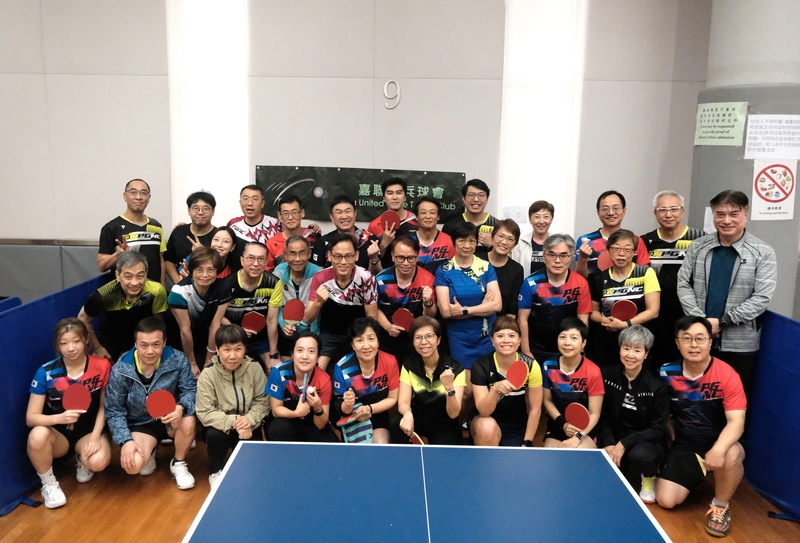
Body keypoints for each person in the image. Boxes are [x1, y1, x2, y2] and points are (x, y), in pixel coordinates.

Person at [676, 190, 776, 405]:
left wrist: (723, 321)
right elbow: (683, 284)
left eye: (734, 214)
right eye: (720, 214)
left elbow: (762, 297)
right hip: (698, 341)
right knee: (696, 402)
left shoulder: (763, 251)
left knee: (735, 402)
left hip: (740, 344)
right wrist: (702, 323)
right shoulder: (698, 247)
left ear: (745, 215)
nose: (727, 220)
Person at [655, 316, 747, 538]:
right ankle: (696, 476)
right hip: (685, 443)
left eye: (700, 339)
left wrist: (717, 449)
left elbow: (737, 422)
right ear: (677, 343)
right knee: (666, 500)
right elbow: (660, 408)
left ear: (710, 342)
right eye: (687, 339)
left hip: (719, 440)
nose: (693, 345)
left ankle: (720, 506)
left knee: (732, 454)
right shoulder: (666, 373)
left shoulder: (727, 375)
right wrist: (668, 425)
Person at [26, 319, 112, 509]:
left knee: (98, 462)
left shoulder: (102, 365)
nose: (70, 348)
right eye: (64, 343)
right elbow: (31, 418)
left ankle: (83, 459)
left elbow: (104, 406)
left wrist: (95, 437)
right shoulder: (46, 372)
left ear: (86, 340)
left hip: (88, 432)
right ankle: (49, 483)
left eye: (76, 341)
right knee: (37, 434)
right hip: (59, 437)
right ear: (57, 344)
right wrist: (59, 418)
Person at [104, 317, 197, 490]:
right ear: (135, 344)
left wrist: (181, 407)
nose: (150, 351)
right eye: (144, 345)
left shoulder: (177, 359)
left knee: (188, 420)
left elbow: (191, 390)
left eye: (156, 344)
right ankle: (151, 447)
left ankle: (178, 462)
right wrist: (126, 441)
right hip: (140, 424)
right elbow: (114, 410)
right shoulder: (121, 369)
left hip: (170, 419)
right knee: (134, 466)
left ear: (164, 342)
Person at [598, 325, 669, 505]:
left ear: (646, 354)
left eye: (637, 350)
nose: (630, 355)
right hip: (615, 435)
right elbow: (603, 414)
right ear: (620, 349)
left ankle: (649, 476)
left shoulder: (656, 386)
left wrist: (624, 443)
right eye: (626, 348)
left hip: (644, 439)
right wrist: (609, 443)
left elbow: (657, 429)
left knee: (641, 456)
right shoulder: (607, 375)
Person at [196, 325, 269, 486]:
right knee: (215, 437)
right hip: (220, 427)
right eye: (226, 350)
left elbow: (263, 401)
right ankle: (215, 470)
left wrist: (249, 419)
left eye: (238, 349)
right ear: (217, 350)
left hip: (249, 425)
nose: (232, 356)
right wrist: (236, 421)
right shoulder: (208, 374)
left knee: (250, 473)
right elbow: (205, 412)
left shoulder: (254, 367)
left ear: (245, 349)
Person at [641, 191, 706, 371]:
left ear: (682, 212)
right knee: (657, 362)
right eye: (662, 210)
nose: (668, 214)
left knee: (687, 362)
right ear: (655, 214)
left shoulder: (700, 238)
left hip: (689, 312)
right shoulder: (645, 241)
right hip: (656, 315)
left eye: (674, 209)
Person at [435, 221, 501, 374]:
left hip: (486, 336)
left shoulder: (486, 267)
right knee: (465, 385)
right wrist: (483, 308)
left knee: (486, 379)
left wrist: (464, 310)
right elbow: (446, 312)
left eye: (472, 241)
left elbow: (497, 305)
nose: (467, 245)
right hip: (459, 338)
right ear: (454, 242)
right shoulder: (444, 270)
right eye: (462, 240)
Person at [304, 233, 379, 370]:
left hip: (357, 333)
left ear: (356, 256)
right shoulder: (320, 278)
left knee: (361, 369)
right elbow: (308, 319)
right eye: (338, 256)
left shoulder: (367, 279)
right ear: (329, 256)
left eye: (348, 256)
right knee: (315, 370)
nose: (343, 262)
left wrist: (363, 341)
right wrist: (318, 302)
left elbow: (371, 318)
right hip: (329, 334)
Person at [588, 229, 661, 369]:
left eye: (627, 249)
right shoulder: (598, 278)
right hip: (607, 340)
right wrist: (605, 320)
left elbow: (653, 311)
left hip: (638, 339)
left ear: (634, 252)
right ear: (608, 251)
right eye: (616, 249)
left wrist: (625, 324)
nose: (621, 254)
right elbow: (593, 311)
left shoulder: (646, 273)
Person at [78, 251, 167, 362]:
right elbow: (83, 318)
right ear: (118, 275)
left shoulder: (157, 291)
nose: (135, 283)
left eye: (140, 276)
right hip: (110, 338)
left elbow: (158, 322)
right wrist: (98, 348)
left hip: (141, 338)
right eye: (128, 277)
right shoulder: (104, 295)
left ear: (146, 274)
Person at [389, 316, 465, 445]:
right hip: (417, 419)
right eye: (418, 338)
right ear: (413, 342)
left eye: (429, 336)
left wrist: (449, 388)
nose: (423, 342)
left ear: (438, 340)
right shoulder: (409, 365)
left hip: (444, 424)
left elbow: (453, 414)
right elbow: (403, 402)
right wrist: (407, 414)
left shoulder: (456, 369)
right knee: (396, 423)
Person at [517, 234, 591, 363]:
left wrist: (580, 350)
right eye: (552, 255)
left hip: (568, 349)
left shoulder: (581, 283)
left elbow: (583, 320)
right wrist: (526, 351)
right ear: (544, 256)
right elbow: (522, 319)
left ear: (571, 257)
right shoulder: (530, 283)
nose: (557, 261)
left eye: (563, 255)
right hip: (536, 350)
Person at [470, 316, 543, 447]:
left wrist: (527, 442)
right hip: (485, 421)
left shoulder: (531, 366)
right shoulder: (481, 366)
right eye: (500, 336)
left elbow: (535, 409)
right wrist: (494, 390)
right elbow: (484, 412)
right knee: (487, 427)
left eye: (511, 336)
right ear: (492, 340)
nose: (506, 340)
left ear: (519, 340)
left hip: (516, 425)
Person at [212, 241, 282, 370]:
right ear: (242, 260)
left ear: (266, 262)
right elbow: (219, 317)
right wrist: (238, 331)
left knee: (275, 370)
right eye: (251, 258)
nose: (255, 263)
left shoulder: (273, 283)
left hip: (261, 340)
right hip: (233, 338)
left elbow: (272, 320)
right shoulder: (227, 284)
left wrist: (274, 355)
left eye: (261, 259)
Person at [332, 317, 399, 444]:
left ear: (378, 342)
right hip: (352, 416)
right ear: (352, 345)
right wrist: (347, 404)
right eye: (359, 340)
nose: (366, 345)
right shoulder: (342, 368)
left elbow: (392, 398)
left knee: (380, 446)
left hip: (377, 411)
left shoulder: (390, 362)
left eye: (371, 338)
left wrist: (369, 409)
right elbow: (339, 407)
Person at [265, 331, 339, 443]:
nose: (305, 356)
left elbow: (320, 425)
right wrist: (296, 413)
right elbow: (276, 410)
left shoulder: (324, 379)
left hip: (310, 423)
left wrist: (318, 407)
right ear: (292, 354)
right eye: (300, 350)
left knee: (331, 444)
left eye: (311, 351)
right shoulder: (279, 372)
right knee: (280, 429)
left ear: (318, 357)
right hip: (284, 420)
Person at [541, 318, 603, 449]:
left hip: (586, 428)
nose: (567, 343)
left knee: (576, 454)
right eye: (562, 337)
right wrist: (563, 424)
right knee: (552, 456)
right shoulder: (548, 366)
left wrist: (579, 436)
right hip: (559, 423)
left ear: (583, 343)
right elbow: (547, 400)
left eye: (574, 338)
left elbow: (594, 413)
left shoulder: (593, 371)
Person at [168, 247, 230, 376]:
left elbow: (215, 324)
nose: (205, 275)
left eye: (210, 270)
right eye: (199, 270)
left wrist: (209, 359)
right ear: (191, 271)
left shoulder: (223, 287)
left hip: (206, 342)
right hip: (178, 344)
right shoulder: (179, 292)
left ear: (217, 270)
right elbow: (185, 330)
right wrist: (192, 363)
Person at [375, 236, 437, 364]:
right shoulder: (380, 279)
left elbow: (430, 316)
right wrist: (388, 327)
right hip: (387, 336)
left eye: (411, 258)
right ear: (392, 256)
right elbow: (375, 309)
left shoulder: (428, 279)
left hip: (416, 338)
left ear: (417, 256)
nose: (406, 263)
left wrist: (428, 303)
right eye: (400, 258)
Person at [97, 178, 166, 284]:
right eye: (133, 192)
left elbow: (160, 261)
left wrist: (162, 289)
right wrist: (118, 255)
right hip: (126, 291)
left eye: (144, 193)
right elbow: (101, 266)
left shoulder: (156, 225)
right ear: (125, 196)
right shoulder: (111, 227)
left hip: (153, 290)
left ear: (149, 198)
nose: (138, 197)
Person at [576, 190, 650, 279]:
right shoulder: (585, 241)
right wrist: (583, 258)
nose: (611, 213)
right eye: (605, 209)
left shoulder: (636, 241)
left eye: (616, 208)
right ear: (598, 212)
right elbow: (580, 278)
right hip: (594, 288)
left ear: (624, 211)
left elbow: (644, 275)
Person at [272, 235, 323, 360]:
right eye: (292, 254)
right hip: (288, 329)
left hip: (311, 330)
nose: (297, 259)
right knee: (286, 366)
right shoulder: (278, 272)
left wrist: (314, 336)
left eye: (302, 253)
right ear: (285, 255)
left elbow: (319, 309)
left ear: (309, 254)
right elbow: (277, 305)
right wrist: (283, 323)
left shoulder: (318, 274)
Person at [310, 195, 381, 272]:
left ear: (355, 214)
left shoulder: (370, 240)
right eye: (339, 212)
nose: (344, 216)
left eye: (348, 211)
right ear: (332, 217)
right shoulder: (323, 242)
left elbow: (377, 275)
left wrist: (374, 258)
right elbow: (318, 274)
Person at [164, 191, 217, 285]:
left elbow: (221, 264)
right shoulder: (178, 232)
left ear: (213, 212)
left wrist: (202, 252)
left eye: (206, 208)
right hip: (182, 286)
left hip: (210, 287)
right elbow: (168, 260)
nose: (200, 212)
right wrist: (178, 281)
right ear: (189, 211)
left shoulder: (218, 236)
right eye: (196, 208)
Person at [367, 178, 419, 268]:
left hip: (413, 272)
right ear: (384, 198)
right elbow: (373, 260)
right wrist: (384, 244)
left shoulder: (416, 221)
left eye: (399, 193)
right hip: (385, 274)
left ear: (405, 197)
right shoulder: (374, 225)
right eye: (390, 193)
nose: (395, 197)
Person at [442, 179, 497, 259]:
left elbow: (506, 257)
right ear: (463, 199)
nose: (476, 199)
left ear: (487, 199)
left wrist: (492, 245)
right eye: (471, 195)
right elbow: (445, 256)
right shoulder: (451, 225)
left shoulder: (496, 225)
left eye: (481, 195)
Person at [265, 195, 320, 272]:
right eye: (285, 213)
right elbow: (267, 273)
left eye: (294, 212)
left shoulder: (313, 236)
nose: (290, 217)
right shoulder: (272, 244)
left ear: (302, 213)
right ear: (279, 216)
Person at [227, 185, 283, 260]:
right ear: (240, 203)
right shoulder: (233, 224)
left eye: (255, 199)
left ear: (262, 203)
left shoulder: (276, 224)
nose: (250, 203)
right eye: (245, 198)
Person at [486, 219, 523, 317]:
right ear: (492, 236)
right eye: (501, 236)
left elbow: (512, 308)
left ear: (515, 244)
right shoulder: (476, 260)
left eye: (510, 239)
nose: (504, 242)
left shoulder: (516, 269)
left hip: (500, 323)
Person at [412, 196, 454, 274]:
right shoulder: (408, 242)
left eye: (432, 213)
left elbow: (454, 272)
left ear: (438, 217)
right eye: (423, 213)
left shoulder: (449, 242)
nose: (428, 217)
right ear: (416, 217)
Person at [511, 200, 554, 276]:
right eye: (537, 217)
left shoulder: (556, 243)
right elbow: (514, 271)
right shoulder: (520, 244)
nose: (541, 221)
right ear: (530, 220)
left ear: (551, 220)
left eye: (546, 217)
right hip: (527, 283)